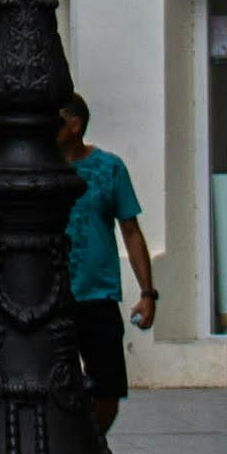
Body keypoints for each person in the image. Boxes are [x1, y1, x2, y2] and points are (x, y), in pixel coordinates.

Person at [56, 93, 156, 413]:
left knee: (107, 388)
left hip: (97, 294)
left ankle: (91, 448)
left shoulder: (109, 168)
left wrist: (147, 293)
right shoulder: (40, 168)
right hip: (52, 296)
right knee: (57, 385)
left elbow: (131, 231)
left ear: (75, 124)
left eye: (54, 120)